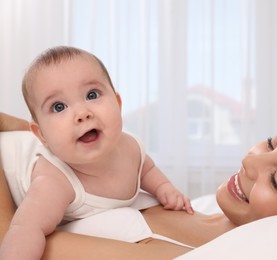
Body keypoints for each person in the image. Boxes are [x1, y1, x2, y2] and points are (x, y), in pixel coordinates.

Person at [1, 113, 277, 258]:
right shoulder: (193, 206)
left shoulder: (177, 255)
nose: (250, 161)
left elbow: (11, 237)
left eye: (276, 180)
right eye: (272, 142)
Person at [0, 47, 193, 260]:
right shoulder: (54, 181)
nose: (82, 113)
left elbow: (146, 169)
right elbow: (25, 229)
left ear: (118, 104)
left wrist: (164, 188)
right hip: (6, 159)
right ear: (42, 135)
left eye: (92, 95)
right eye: (58, 107)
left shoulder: (130, 148)